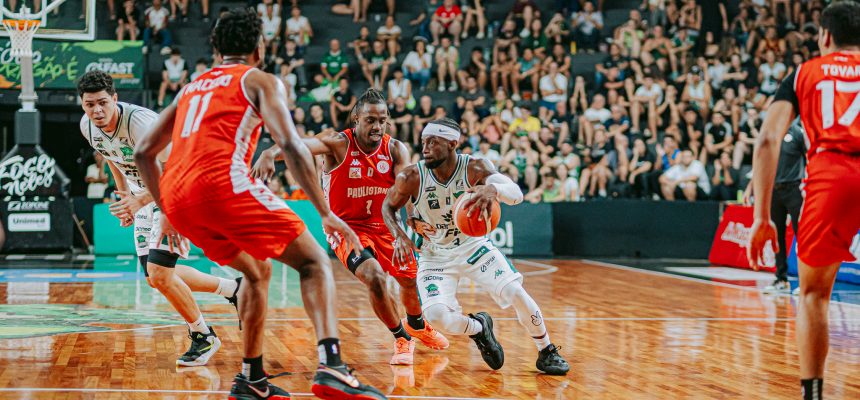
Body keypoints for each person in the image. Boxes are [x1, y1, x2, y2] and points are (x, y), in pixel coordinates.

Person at [133, 8, 386, 400]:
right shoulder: (259, 80)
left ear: (216, 49)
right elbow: (292, 146)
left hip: (180, 200)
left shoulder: (192, 87)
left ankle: (251, 379)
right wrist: (325, 213)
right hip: (222, 186)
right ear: (259, 47)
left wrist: (167, 211)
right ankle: (332, 366)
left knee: (256, 272)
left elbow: (143, 152)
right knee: (314, 263)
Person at [253, 89, 449, 365]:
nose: (377, 126)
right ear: (356, 120)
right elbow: (297, 145)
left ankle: (417, 324)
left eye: (382, 120)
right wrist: (269, 153)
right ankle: (402, 337)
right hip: (347, 229)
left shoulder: (395, 149)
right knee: (375, 277)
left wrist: (413, 219)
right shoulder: (338, 144)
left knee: (408, 280)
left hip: (385, 225)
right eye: (370, 120)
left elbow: (405, 188)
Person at [77, 70, 240, 368]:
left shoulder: (140, 123)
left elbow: (176, 171)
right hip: (144, 193)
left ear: (115, 99)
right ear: (82, 105)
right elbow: (112, 156)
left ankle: (203, 335)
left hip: (181, 189)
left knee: (161, 272)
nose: (97, 110)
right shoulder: (88, 127)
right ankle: (233, 289)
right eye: (90, 105)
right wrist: (124, 197)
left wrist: (153, 206)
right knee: (155, 278)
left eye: (102, 103)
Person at [381, 118, 570, 376]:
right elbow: (388, 206)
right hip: (435, 255)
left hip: (473, 246)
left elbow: (516, 194)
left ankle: (546, 350)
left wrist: (493, 189)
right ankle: (479, 328)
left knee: (515, 291)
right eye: (424, 142)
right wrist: (400, 235)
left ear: (452, 144)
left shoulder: (475, 167)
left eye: (433, 142)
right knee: (436, 316)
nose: (425, 148)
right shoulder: (412, 176)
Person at [747, 3, 860, 400]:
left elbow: (767, 140)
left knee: (814, 295)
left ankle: (813, 395)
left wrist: (762, 217)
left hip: (832, 175)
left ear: (825, 36)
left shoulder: (804, 73)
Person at [749, 119, 806, 294]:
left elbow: (810, 159)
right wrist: (751, 186)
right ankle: (781, 279)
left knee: (802, 235)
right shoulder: (771, 133)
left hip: (794, 189)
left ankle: (805, 282)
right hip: (774, 190)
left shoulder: (797, 133)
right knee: (777, 236)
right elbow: (761, 163)